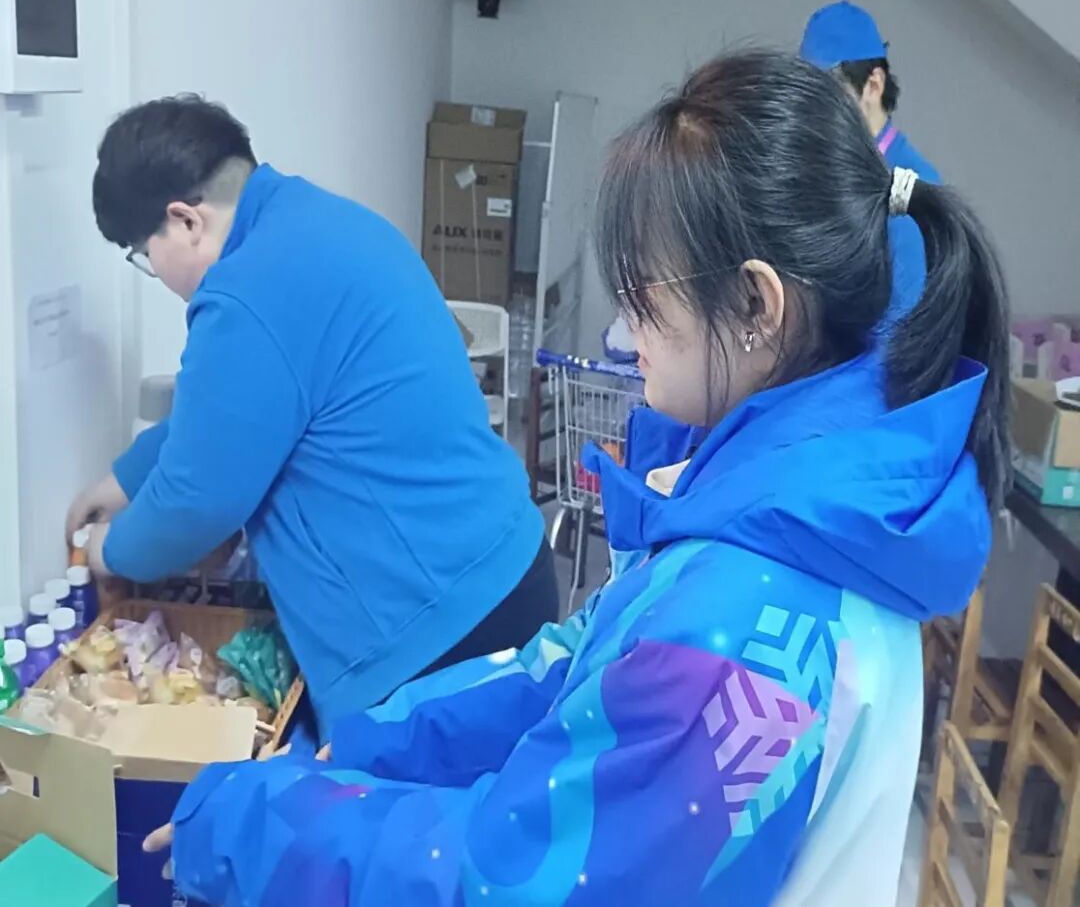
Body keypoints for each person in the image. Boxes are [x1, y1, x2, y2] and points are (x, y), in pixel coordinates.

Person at [145, 51, 1009, 906]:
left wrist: (256, 822)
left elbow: (506, 877)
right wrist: (381, 742)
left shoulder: (747, 615)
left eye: (645, 298)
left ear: (757, 304)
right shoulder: (803, 493)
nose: (625, 334)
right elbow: (575, 666)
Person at [69, 95, 558, 737]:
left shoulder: (247, 292)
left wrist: (107, 550)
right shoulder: (319, 222)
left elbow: (196, 502)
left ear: (185, 220)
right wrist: (125, 478)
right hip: (499, 570)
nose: (154, 272)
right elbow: (233, 412)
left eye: (143, 252)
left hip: (435, 634)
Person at [801, 0, 940, 327]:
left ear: (873, 85)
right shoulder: (824, 172)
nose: (813, 111)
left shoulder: (913, 187)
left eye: (828, 93)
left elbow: (903, 327)